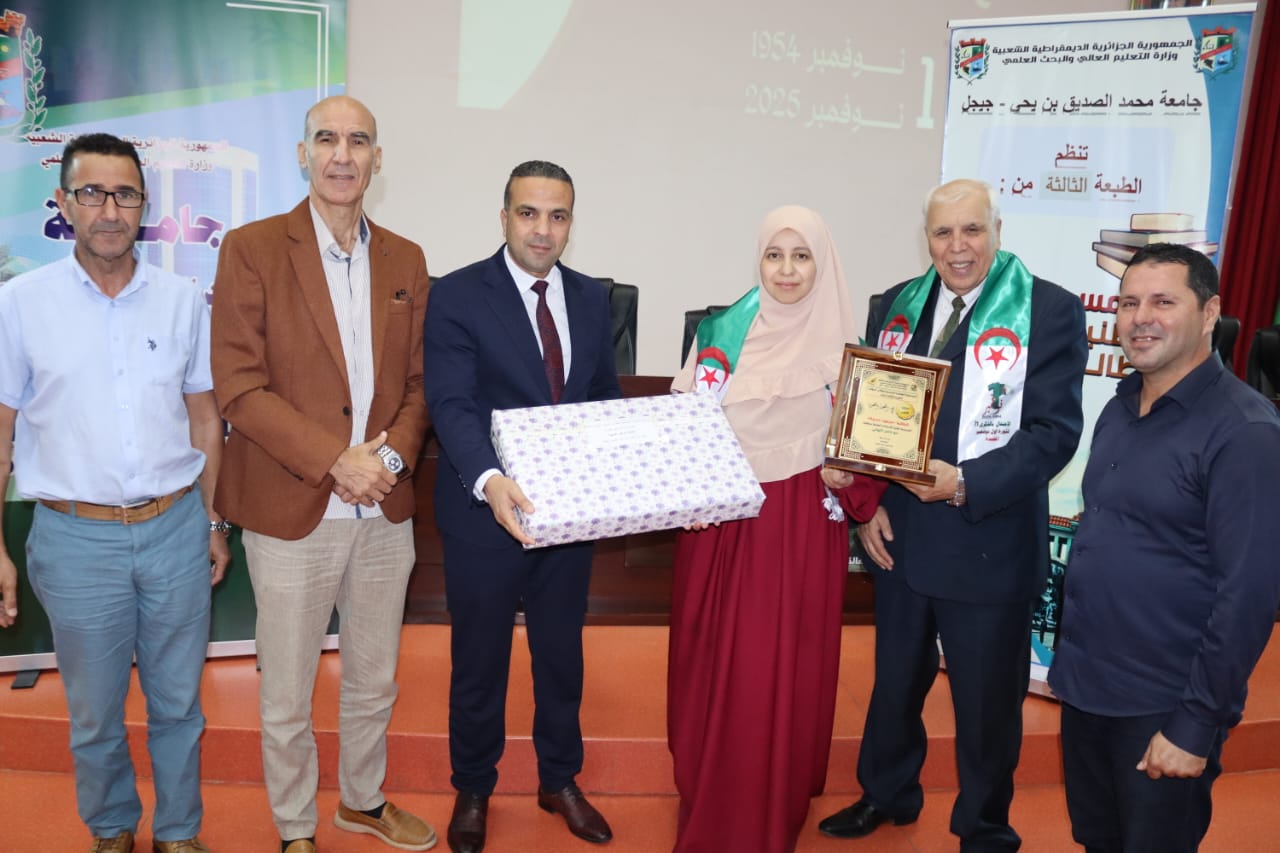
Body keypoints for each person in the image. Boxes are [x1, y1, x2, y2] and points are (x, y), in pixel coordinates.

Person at [819, 178, 1087, 849]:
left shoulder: (1048, 310)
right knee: (894, 685)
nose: (958, 246)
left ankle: (985, 827)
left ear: (997, 230)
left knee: (987, 706)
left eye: (972, 229)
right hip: (902, 539)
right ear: (927, 238)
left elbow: (1054, 432)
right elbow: (872, 422)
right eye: (944, 232)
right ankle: (886, 793)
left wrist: (966, 483)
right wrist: (866, 507)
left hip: (987, 541)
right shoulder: (895, 305)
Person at [210, 96, 433, 853]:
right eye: (327, 139)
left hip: (383, 510)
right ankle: (296, 827)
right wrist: (337, 460)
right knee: (286, 690)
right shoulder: (251, 248)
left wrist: (387, 462)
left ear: (378, 159)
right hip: (291, 506)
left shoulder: (406, 258)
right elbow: (239, 386)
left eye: (359, 141)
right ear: (302, 154)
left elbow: (420, 386)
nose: (343, 154)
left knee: (375, 678)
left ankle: (362, 802)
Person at [0, 133, 228, 853]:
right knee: (95, 711)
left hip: (175, 530)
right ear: (63, 203)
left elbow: (204, 418)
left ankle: (179, 833)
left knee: (179, 704)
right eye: (91, 193)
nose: (108, 209)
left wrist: (213, 520)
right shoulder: (20, 304)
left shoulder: (182, 300)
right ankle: (111, 828)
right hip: (75, 540)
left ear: (144, 206)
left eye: (124, 194)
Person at [1048, 243, 1280, 852]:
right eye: (1128, 303)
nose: (1140, 318)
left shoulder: (1245, 432)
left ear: (1210, 313)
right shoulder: (1119, 407)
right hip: (1088, 689)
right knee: (1098, 841)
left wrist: (1196, 724)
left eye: (1162, 302)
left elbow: (1248, 596)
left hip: (1163, 705)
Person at [667, 206, 885, 853]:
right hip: (720, 534)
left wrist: (849, 477)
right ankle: (712, 800)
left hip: (796, 535)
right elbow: (679, 437)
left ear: (824, 264)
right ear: (758, 260)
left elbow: (872, 467)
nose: (786, 270)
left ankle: (772, 806)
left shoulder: (849, 353)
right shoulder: (720, 338)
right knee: (716, 671)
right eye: (774, 255)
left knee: (777, 671)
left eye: (802, 255)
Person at [423, 160, 621, 853]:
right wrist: (488, 478)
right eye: (529, 213)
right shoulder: (457, 294)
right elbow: (450, 403)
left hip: (567, 517)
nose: (543, 229)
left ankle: (558, 779)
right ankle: (474, 786)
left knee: (560, 657)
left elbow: (603, 399)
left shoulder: (592, 297)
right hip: (485, 512)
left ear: (571, 223)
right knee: (480, 662)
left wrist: (630, 476)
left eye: (557, 215)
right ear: (504, 217)